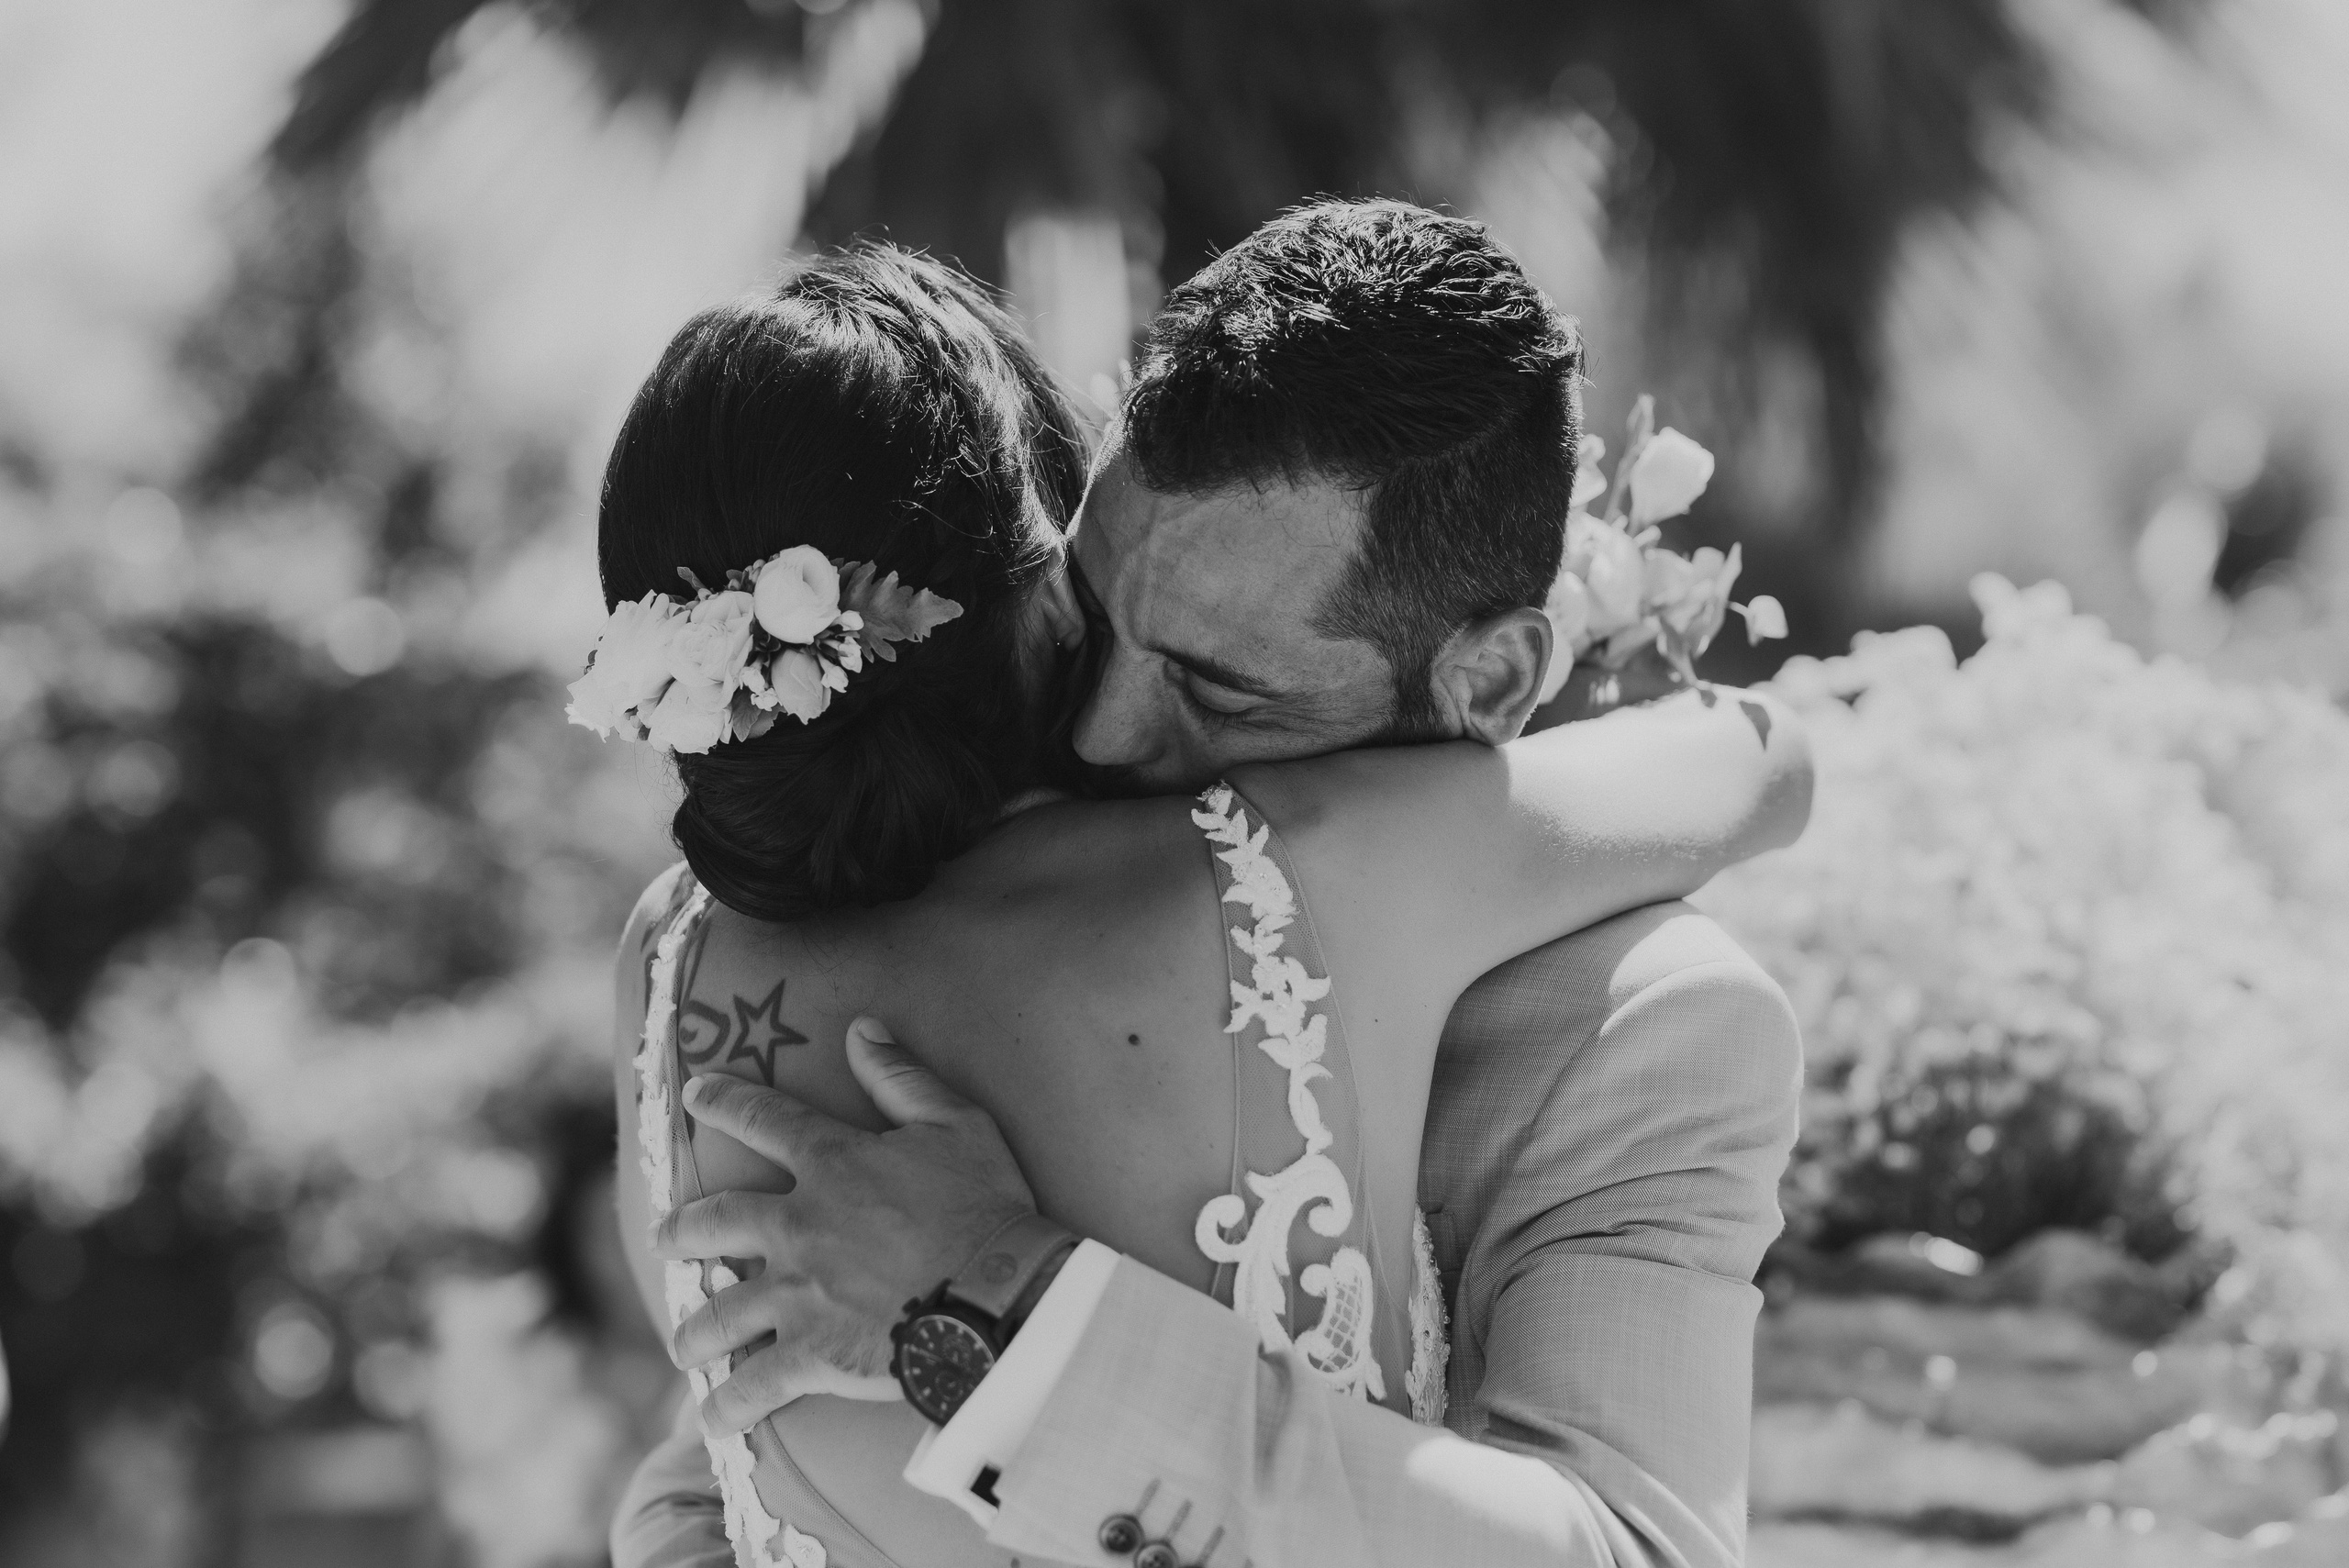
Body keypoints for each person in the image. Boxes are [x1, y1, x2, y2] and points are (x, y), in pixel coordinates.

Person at [606, 206, 1808, 1568]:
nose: (1099, 732)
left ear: (1492, 681)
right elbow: (708, 1475)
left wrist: (1011, 1308)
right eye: (1085, 624)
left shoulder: (1649, 1026)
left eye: (1218, 688)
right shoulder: (899, 928)